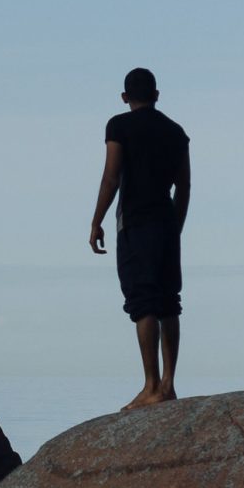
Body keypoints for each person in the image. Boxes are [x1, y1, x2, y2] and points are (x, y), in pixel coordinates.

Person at [87, 67, 189, 409]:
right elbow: (184, 186)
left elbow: (111, 177)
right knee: (168, 300)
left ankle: (150, 386)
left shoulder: (119, 125)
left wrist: (96, 220)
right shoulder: (176, 132)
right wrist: (176, 225)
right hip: (165, 223)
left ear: (125, 97)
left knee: (143, 302)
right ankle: (169, 384)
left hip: (135, 224)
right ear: (157, 95)